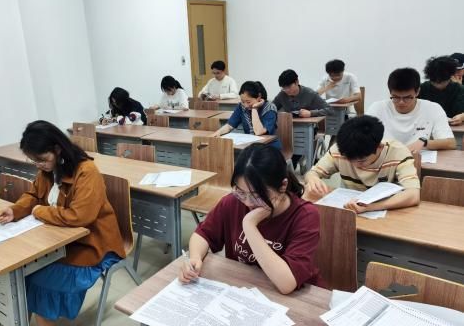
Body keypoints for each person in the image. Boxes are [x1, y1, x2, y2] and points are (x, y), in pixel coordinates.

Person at [0, 120, 126, 326]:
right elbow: (33, 196)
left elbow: (81, 216)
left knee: (40, 280)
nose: (39, 165)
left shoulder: (86, 172)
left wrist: (39, 212)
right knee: (21, 275)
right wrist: (15, 210)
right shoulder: (48, 170)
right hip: (59, 240)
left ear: (58, 149)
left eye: (42, 159)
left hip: (92, 245)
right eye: (34, 161)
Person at [179, 143, 321, 294]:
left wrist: (249, 225)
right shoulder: (233, 202)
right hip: (245, 289)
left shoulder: (305, 216)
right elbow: (203, 234)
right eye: (240, 192)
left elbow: (286, 284)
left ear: (283, 186)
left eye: (257, 195)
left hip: (294, 298)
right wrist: (195, 257)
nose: (247, 202)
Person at [305, 115, 420, 214]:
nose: (355, 165)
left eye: (362, 161)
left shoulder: (398, 153)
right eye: (349, 159)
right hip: (350, 209)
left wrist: (371, 207)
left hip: (388, 211)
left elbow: (413, 195)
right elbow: (313, 173)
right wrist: (312, 178)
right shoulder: (341, 150)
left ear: (379, 147)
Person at [366, 68, 456, 152]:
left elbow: (451, 143)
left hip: (419, 159)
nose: (401, 102)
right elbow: (361, 137)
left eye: (407, 97)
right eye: (396, 97)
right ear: (390, 92)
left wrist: (424, 142)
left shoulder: (433, 109)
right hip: (386, 158)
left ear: (417, 92)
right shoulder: (377, 108)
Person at [212, 81, 281, 149]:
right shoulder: (241, 107)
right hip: (250, 145)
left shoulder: (269, 108)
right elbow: (229, 126)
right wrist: (218, 132)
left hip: (269, 146)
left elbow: (259, 132)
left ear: (259, 97)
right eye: (242, 102)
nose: (245, 105)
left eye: (248, 102)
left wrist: (254, 109)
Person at [419, 55, 464, 126]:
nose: (438, 84)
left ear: (450, 76)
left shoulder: (460, 89)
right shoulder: (421, 88)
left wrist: (462, 116)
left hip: (455, 128)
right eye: (434, 81)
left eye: (442, 82)